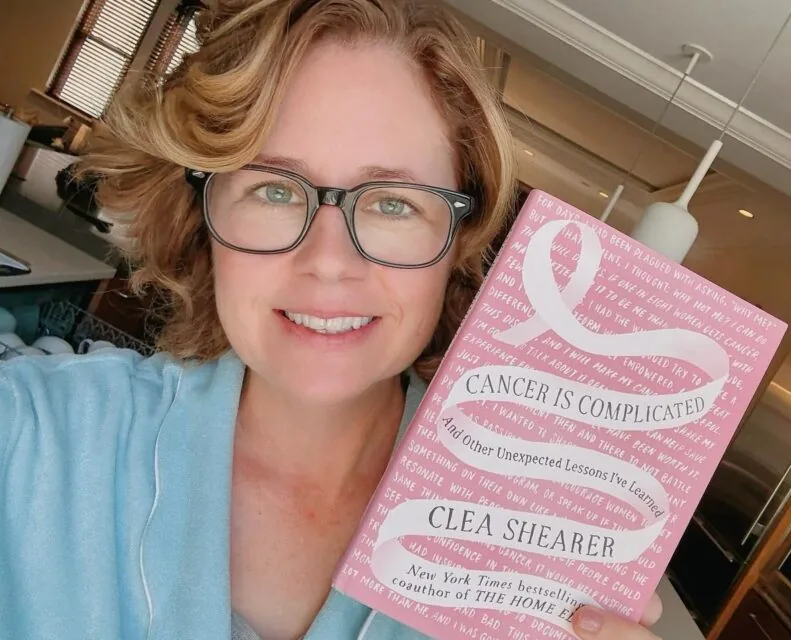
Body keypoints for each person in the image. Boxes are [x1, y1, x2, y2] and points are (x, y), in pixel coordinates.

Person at [0, 1, 664, 639]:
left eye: (394, 204)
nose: (328, 262)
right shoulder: (32, 436)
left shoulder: (540, 557)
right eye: (274, 190)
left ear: (457, 243)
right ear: (202, 216)